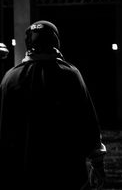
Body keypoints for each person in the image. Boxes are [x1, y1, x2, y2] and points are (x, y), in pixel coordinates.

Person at [0, 20, 106, 190]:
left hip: (22, 175)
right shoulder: (70, 74)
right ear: (55, 42)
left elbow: (2, 129)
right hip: (65, 174)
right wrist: (98, 165)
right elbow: (88, 123)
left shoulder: (10, 79)